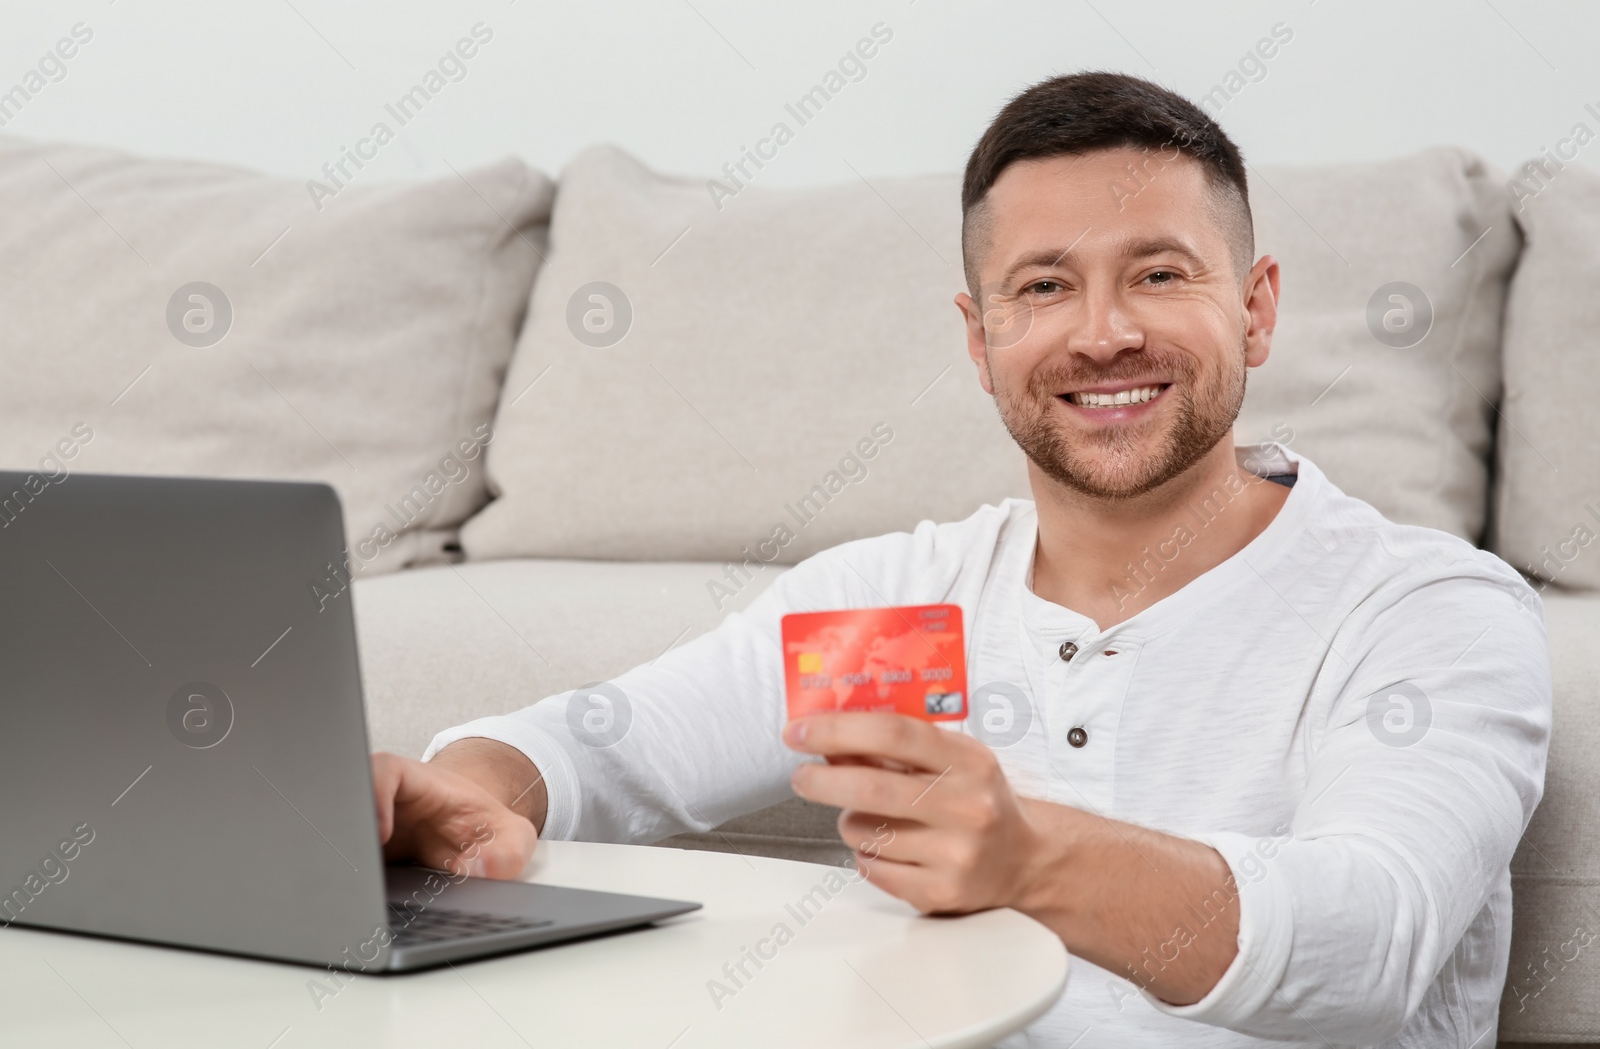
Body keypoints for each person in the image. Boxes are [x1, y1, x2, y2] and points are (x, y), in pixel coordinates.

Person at [370, 71, 1551, 1045]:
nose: (1102, 332)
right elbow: (606, 745)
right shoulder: (897, 603)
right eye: (1042, 287)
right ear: (980, 340)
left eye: (1157, 272)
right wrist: (472, 790)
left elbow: (1377, 936)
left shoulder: (1423, 608)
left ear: (1255, 309)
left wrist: (1033, 854)